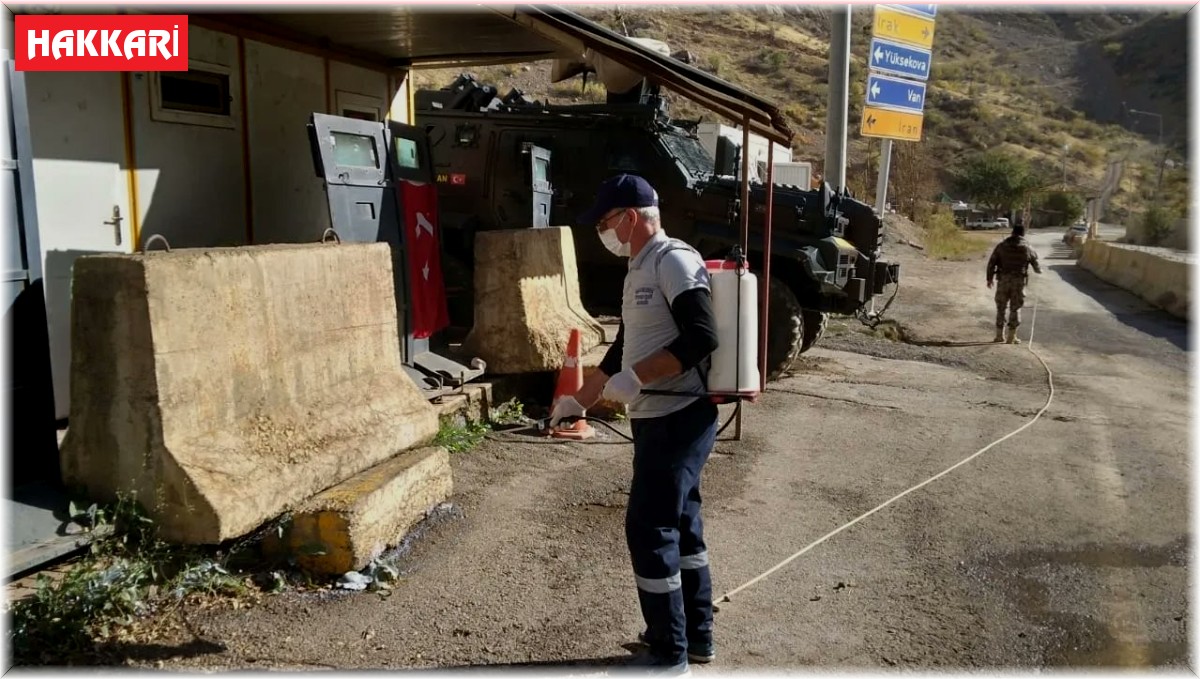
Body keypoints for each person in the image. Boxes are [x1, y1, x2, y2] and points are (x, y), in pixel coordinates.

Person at [550, 174, 720, 673]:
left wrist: (638, 377)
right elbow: (626, 346)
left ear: (630, 217)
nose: (602, 231)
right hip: (657, 418)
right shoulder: (639, 268)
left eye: (605, 221)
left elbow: (702, 336)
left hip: (679, 415)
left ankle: (668, 654)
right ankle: (695, 637)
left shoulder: (672, 261)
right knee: (680, 526)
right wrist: (579, 399)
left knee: (649, 528)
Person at [986, 223, 1042, 344]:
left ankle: (999, 336)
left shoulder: (1002, 246)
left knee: (1001, 307)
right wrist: (1039, 271)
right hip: (1018, 281)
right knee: (1015, 308)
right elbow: (1037, 266)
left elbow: (991, 263)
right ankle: (1011, 337)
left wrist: (989, 279)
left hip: (1003, 280)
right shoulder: (1027, 247)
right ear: (1023, 233)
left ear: (1012, 232)